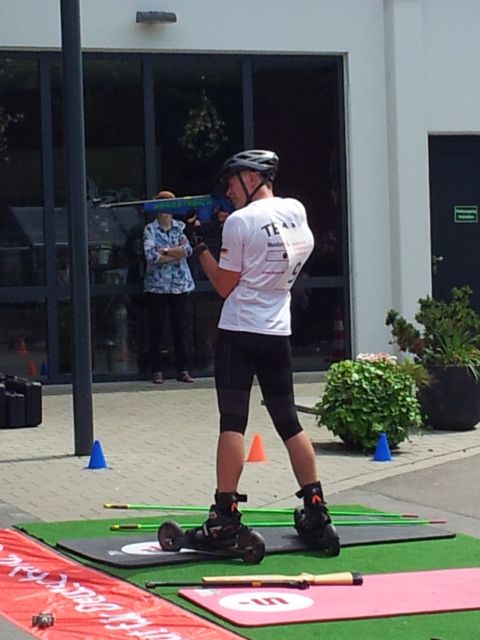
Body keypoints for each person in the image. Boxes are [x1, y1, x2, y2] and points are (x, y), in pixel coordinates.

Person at [190, 149, 339, 553]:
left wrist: (199, 246)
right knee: (289, 422)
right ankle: (315, 506)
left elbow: (224, 285)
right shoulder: (296, 210)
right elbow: (272, 248)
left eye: (232, 182)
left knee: (232, 424)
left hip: (239, 331)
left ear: (252, 179)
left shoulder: (241, 222)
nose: (228, 190)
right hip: (277, 331)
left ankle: (224, 517)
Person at [143, 190, 195, 384]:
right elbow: (151, 256)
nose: (166, 210)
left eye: (170, 205)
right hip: (157, 286)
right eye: (163, 205)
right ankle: (157, 370)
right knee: (156, 329)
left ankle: (183, 370)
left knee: (180, 328)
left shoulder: (180, 227)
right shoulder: (150, 229)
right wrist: (175, 253)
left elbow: (188, 250)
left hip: (179, 285)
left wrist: (164, 250)